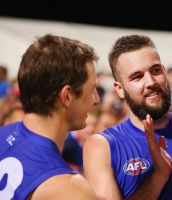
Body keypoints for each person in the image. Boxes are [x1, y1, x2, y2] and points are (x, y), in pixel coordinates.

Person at [83, 35, 172, 200]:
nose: (150, 82)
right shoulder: (102, 147)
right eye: (137, 77)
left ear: (164, 71)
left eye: (155, 70)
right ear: (120, 89)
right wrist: (158, 177)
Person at [0, 34, 99, 200]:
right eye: (92, 89)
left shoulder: (3, 134)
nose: (96, 100)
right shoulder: (70, 189)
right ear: (67, 96)